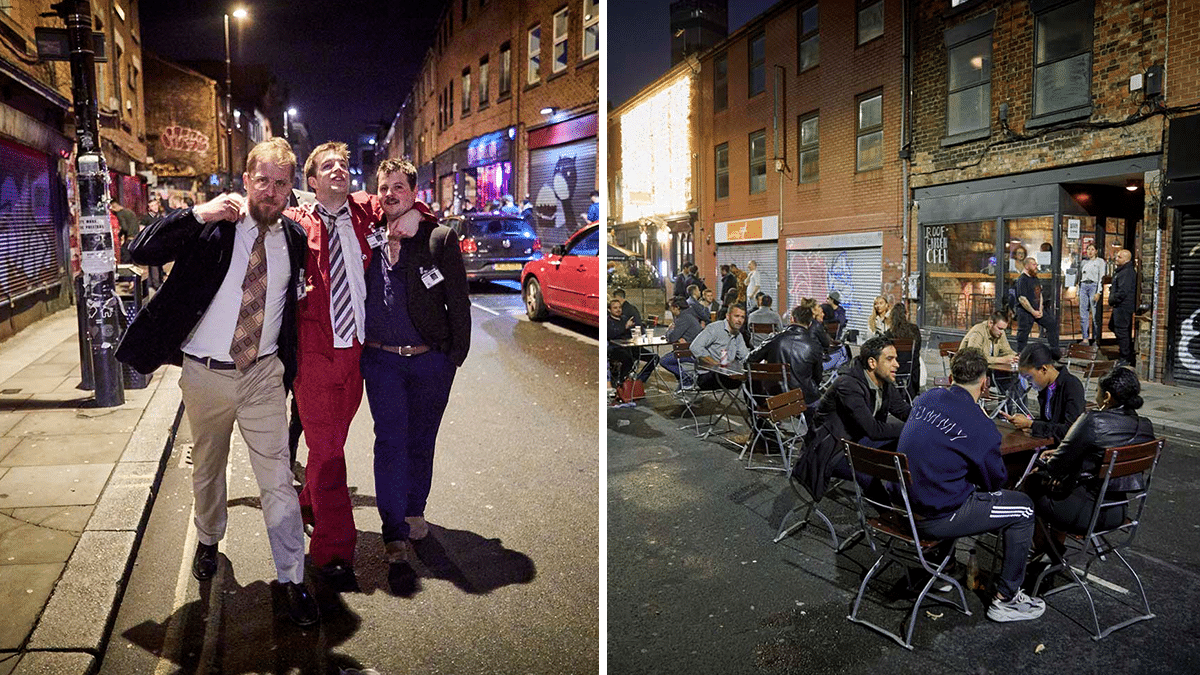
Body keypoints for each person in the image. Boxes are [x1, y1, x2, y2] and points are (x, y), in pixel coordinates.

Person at [115, 138, 318, 626]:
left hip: (262, 375)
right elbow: (140, 249)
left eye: (281, 183)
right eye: (262, 180)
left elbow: (290, 306)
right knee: (208, 467)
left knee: (278, 480)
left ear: (291, 190)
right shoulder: (213, 228)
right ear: (246, 181)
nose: (270, 191)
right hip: (205, 374)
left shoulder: (291, 239)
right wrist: (197, 214)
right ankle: (208, 538)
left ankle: (292, 577)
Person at [360, 158, 470, 584]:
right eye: (384, 187)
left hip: (430, 360)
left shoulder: (438, 237)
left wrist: (453, 358)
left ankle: (413, 510)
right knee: (389, 442)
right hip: (382, 359)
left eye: (399, 187)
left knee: (422, 441)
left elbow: (458, 302)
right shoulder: (365, 235)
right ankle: (392, 530)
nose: (390, 194)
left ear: (413, 191)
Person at [280, 141, 382, 587]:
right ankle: (333, 550)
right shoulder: (296, 225)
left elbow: (403, 196)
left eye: (343, 163)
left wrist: (419, 212)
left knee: (329, 445)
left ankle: (309, 500)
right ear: (313, 181)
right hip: (314, 354)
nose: (338, 169)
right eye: (327, 166)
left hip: (356, 352)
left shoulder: (365, 214)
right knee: (330, 451)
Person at [897, 347, 1045, 622]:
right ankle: (1006, 599)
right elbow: (994, 483)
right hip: (936, 517)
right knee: (1023, 508)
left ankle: (942, 567)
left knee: (951, 480)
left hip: (906, 504)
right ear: (985, 382)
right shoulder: (981, 426)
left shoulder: (926, 399)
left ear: (951, 376)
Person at [1026, 366, 1154, 535]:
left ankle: (1051, 551)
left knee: (1031, 483)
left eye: (1097, 391)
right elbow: (1096, 456)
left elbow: (1055, 467)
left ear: (1107, 397)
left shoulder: (1093, 420)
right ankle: (1051, 551)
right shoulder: (1146, 426)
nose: (1095, 396)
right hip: (1118, 511)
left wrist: (1046, 466)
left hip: (1084, 513)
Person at [796, 336, 912, 498]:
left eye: (896, 359)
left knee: (909, 445)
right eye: (890, 359)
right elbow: (873, 430)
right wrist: (913, 428)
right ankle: (890, 516)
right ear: (872, 363)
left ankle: (907, 500)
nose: (897, 365)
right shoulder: (848, 385)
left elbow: (903, 410)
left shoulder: (883, 381)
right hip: (830, 451)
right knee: (868, 472)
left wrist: (928, 422)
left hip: (854, 440)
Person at [1003, 343, 1084, 443]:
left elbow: (1071, 430)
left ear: (1043, 369)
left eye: (1029, 378)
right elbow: (1049, 423)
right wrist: (1027, 423)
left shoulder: (1071, 385)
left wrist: (1031, 424)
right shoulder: (1046, 388)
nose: (1029, 383)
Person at [747, 304, 823, 406]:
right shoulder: (814, 345)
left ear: (791, 319)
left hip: (776, 396)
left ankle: (759, 420)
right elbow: (818, 377)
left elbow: (750, 360)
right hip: (805, 398)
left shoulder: (775, 339)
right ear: (810, 324)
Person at [689, 302, 749, 389]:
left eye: (742, 317)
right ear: (728, 316)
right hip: (707, 375)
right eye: (736, 316)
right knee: (744, 378)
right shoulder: (714, 328)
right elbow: (695, 347)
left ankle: (756, 402)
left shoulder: (738, 335)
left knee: (752, 377)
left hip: (727, 374)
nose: (739, 320)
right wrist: (715, 364)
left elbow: (745, 356)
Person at [607, 298, 658, 390]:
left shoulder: (625, 318)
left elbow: (632, 332)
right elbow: (610, 335)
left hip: (630, 346)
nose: (618, 309)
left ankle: (640, 380)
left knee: (654, 358)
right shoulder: (608, 321)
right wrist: (625, 327)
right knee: (628, 359)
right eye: (615, 308)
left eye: (619, 307)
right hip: (616, 348)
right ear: (609, 310)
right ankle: (621, 381)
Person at [1013, 256, 1060, 352]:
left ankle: (1055, 351)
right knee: (1023, 334)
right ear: (1027, 266)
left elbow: (1040, 294)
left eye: (1036, 264)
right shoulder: (1022, 280)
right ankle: (1020, 355)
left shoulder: (1035, 278)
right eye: (1034, 265)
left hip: (1037, 310)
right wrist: (1033, 312)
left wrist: (1040, 309)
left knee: (1051, 324)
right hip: (1026, 311)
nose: (1036, 266)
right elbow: (1022, 299)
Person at [659, 296, 704, 387]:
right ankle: (684, 381)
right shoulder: (688, 315)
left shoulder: (683, 318)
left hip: (690, 353)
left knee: (664, 361)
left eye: (670, 307)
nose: (670, 310)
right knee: (672, 360)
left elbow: (671, 337)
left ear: (677, 307)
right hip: (687, 349)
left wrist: (669, 330)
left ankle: (687, 378)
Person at [884, 302, 922, 402]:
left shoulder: (890, 333)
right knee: (915, 359)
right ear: (906, 314)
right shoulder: (914, 329)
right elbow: (917, 349)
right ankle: (911, 394)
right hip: (911, 367)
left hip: (895, 367)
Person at [1108, 248, 1136, 366]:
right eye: (1117, 256)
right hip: (1120, 305)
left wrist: (1113, 299)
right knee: (1114, 326)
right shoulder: (1121, 271)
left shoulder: (1127, 272)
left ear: (1126, 260)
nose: (1116, 258)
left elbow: (1123, 291)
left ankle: (1125, 356)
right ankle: (1125, 352)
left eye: (1119, 257)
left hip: (1123, 306)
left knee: (1122, 331)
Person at [1077, 243, 1105, 346]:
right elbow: (1079, 278)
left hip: (1093, 286)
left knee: (1095, 314)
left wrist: (1099, 291)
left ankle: (1096, 339)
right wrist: (1077, 292)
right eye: (1088, 249)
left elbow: (1101, 277)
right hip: (1084, 286)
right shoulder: (1084, 262)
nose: (1090, 251)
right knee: (1083, 314)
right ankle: (1085, 338)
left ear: (1096, 251)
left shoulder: (1100, 262)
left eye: (1092, 249)